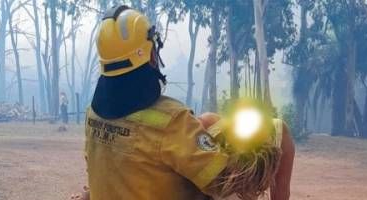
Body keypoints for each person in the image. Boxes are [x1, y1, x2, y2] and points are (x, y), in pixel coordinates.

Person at [72, 5, 294, 200]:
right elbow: (223, 182)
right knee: (279, 130)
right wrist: (260, 156)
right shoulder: (171, 121)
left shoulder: (93, 114)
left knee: (207, 120)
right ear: (150, 54)